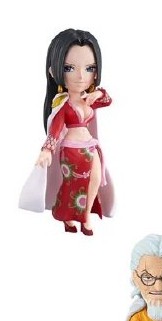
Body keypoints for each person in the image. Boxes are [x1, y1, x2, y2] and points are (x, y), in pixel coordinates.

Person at [19, 29, 114, 235]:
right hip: (71, 151)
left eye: (89, 68)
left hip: (91, 147)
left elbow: (108, 100)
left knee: (95, 179)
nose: (80, 76)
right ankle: (67, 216)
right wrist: (47, 149)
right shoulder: (62, 105)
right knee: (72, 185)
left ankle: (86, 216)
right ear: (54, 72)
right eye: (69, 68)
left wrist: (98, 93)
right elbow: (55, 129)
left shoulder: (90, 99)